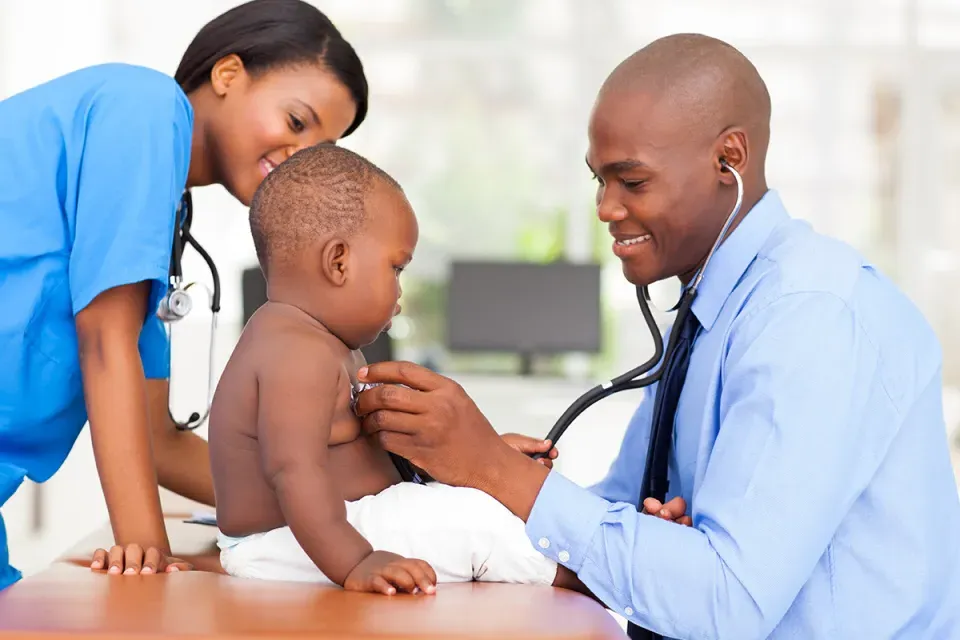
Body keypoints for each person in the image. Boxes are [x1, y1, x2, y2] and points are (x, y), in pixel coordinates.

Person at [354, 33, 960, 638]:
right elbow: (619, 513)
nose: (605, 208)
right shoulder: (706, 314)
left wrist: (494, 469)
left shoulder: (811, 320)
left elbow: (726, 604)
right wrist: (477, 479)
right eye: (599, 180)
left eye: (632, 182)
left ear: (730, 159)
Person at [0, 0, 368, 590]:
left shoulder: (158, 208)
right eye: (296, 121)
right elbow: (104, 339)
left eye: (321, 149)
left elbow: (160, 442)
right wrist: (145, 550)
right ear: (228, 75)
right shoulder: (144, 107)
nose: (301, 159)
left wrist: (347, 501)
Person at [207, 142, 592, 595]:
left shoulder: (324, 342)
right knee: (475, 525)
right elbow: (294, 473)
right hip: (290, 541)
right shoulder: (294, 353)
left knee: (481, 501)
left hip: (330, 525)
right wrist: (357, 561)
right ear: (338, 262)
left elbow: (361, 456)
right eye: (397, 267)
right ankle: (593, 576)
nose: (400, 292)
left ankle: (600, 547)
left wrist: (478, 461)